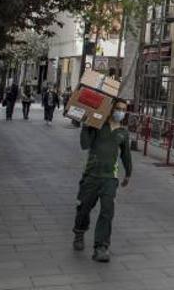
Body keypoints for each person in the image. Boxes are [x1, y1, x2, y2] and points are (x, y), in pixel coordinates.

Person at [73, 99, 132, 263]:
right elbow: (85, 145)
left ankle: (101, 247)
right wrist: (86, 125)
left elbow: (126, 155)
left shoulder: (123, 133)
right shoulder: (98, 125)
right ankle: (79, 232)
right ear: (111, 109)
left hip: (109, 179)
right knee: (84, 208)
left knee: (107, 212)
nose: (121, 112)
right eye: (118, 108)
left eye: (123, 110)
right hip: (91, 175)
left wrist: (128, 174)